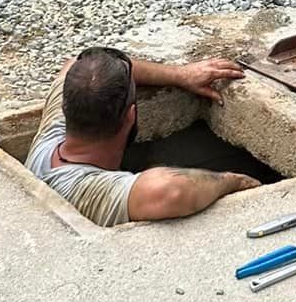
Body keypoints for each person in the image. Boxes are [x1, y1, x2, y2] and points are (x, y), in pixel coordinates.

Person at [27, 46, 257, 226]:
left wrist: (181, 75)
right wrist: (232, 181)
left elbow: (77, 66)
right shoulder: (92, 191)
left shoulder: (50, 138)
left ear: (65, 107)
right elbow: (170, 190)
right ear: (131, 116)